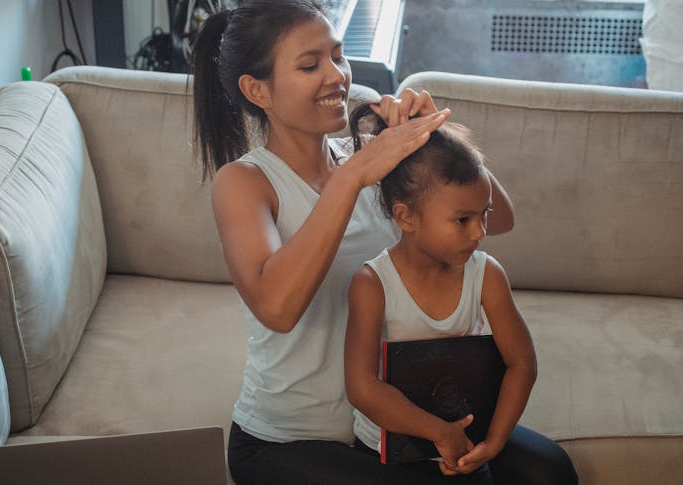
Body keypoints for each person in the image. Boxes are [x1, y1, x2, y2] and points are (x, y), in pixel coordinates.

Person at [191, 1, 517, 483]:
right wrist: (354, 177)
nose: (336, 76)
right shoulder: (245, 182)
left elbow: (500, 220)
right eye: (310, 64)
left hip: (391, 426)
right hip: (288, 438)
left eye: (338, 57)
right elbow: (277, 307)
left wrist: (434, 139)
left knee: (548, 471)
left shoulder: (371, 159)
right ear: (256, 89)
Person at [345, 105, 578, 484]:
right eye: (463, 220)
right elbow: (362, 387)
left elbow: (521, 362)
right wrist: (439, 433)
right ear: (406, 217)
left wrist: (494, 442)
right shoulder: (372, 284)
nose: (480, 232)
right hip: (392, 451)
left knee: (553, 468)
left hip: (469, 433)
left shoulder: (486, 274)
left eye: (484, 214)